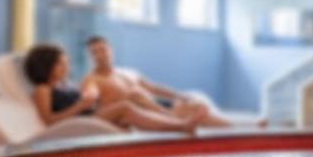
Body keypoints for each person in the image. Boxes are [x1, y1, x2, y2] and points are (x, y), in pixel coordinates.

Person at [22, 44, 198, 133]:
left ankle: (175, 120)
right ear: (47, 66)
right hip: (82, 121)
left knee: (131, 97)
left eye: (66, 62)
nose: (66, 67)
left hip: (90, 114)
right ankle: (180, 126)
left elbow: (83, 101)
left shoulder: (65, 85)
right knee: (125, 108)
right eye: (61, 63)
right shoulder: (42, 89)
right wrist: (81, 105)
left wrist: (90, 100)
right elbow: (49, 122)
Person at [82, 36, 237, 129]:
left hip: (156, 105)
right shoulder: (92, 79)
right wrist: (90, 96)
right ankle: (176, 119)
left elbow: (154, 88)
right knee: (134, 94)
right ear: (91, 57)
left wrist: (180, 95)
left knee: (195, 106)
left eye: (102, 49)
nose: (100, 55)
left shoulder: (127, 73)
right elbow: (90, 96)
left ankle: (234, 130)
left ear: (111, 50)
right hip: (142, 114)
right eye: (94, 52)